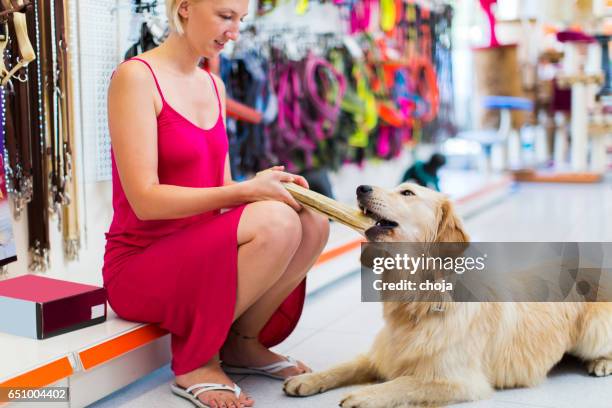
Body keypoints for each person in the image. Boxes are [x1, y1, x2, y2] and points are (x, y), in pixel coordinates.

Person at [102, 1, 330, 407]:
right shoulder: (136, 78)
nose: (234, 32)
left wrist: (266, 187)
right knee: (276, 222)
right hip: (140, 264)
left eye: (240, 20)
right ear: (185, 8)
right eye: (226, 17)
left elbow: (219, 190)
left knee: (311, 220)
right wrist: (247, 192)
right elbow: (146, 202)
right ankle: (197, 360)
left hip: (199, 248)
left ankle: (242, 343)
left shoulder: (213, 84)